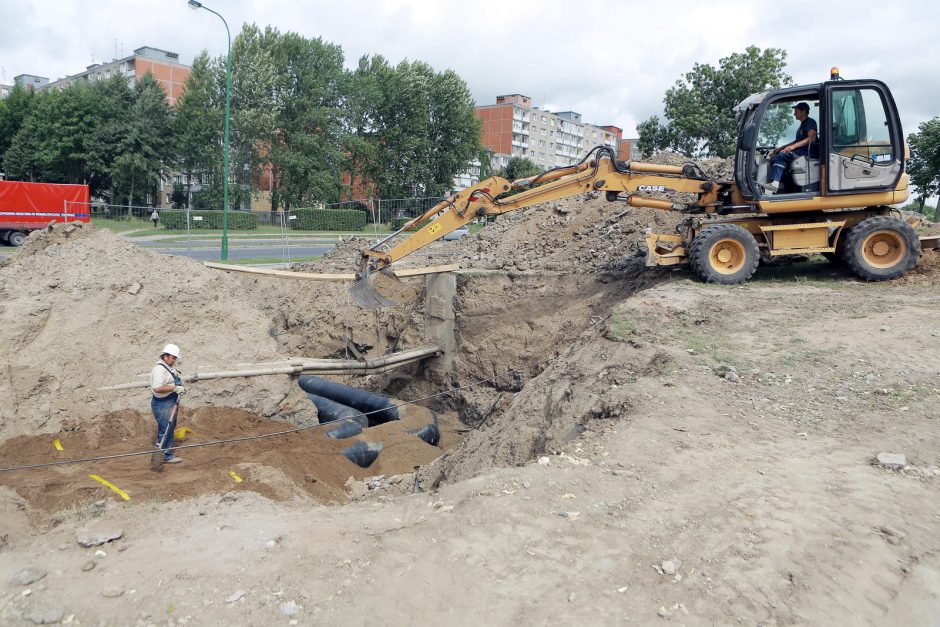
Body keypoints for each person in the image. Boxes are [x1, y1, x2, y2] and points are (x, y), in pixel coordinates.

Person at [765, 102, 818, 194]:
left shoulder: (810, 122)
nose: (794, 114)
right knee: (778, 157)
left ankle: (776, 182)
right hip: (800, 152)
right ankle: (779, 184)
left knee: (781, 156)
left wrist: (793, 147)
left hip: (806, 153)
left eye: (796, 111)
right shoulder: (802, 124)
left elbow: (812, 139)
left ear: (804, 111)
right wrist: (782, 147)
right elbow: (797, 141)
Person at [150, 343, 186, 464]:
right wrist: (174, 388)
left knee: (167, 428)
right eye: (173, 357)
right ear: (165, 356)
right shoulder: (159, 369)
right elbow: (157, 388)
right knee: (166, 429)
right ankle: (166, 455)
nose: (175, 360)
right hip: (163, 403)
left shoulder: (167, 367)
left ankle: (161, 450)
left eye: (175, 358)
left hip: (169, 401)